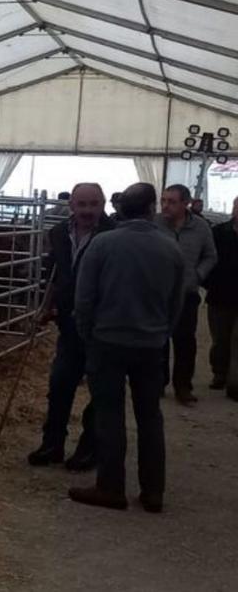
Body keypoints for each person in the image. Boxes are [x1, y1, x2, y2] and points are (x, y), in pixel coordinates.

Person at [71, 182, 183, 512]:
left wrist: (88, 334)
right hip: (151, 344)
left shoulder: (103, 244)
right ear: (151, 209)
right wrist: (162, 334)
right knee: (150, 416)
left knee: (109, 414)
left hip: (107, 341)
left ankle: (111, 487)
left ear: (119, 208)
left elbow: (84, 298)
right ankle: (153, 491)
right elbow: (176, 303)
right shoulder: (170, 248)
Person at [29, 183, 114, 471]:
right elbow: (54, 274)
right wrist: (45, 307)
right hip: (68, 321)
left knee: (100, 389)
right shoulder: (58, 234)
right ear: (72, 206)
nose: (88, 210)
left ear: (103, 204)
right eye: (82, 204)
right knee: (60, 383)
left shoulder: (113, 234)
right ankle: (52, 443)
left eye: (94, 204)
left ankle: (89, 447)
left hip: (102, 326)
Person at [156, 184, 218, 405]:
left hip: (186, 294)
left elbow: (210, 256)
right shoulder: (154, 224)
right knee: (157, 340)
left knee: (185, 342)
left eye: (172, 202)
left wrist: (197, 276)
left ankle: (183, 386)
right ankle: (158, 383)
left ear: (186, 204)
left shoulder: (201, 227)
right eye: (163, 200)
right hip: (158, 293)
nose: (165, 206)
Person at [203, 196, 238, 400]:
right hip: (219, 296)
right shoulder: (217, 233)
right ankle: (220, 373)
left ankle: (234, 382)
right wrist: (208, 283)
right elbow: (207, 258)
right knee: (220, 340)